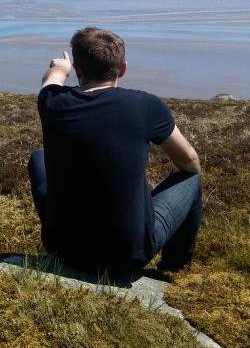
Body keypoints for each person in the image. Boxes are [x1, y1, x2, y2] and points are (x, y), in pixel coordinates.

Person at [28, 27, 202, 280]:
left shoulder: (53, 102)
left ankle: (60, 232)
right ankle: (176, 263)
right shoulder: (145, 106)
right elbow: (189, 161)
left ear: (78, 71)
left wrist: (59, 68)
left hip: (63, 249)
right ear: (122, 69)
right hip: (126, 258)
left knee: (38, 158)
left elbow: (50, 81)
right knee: (192, 179)